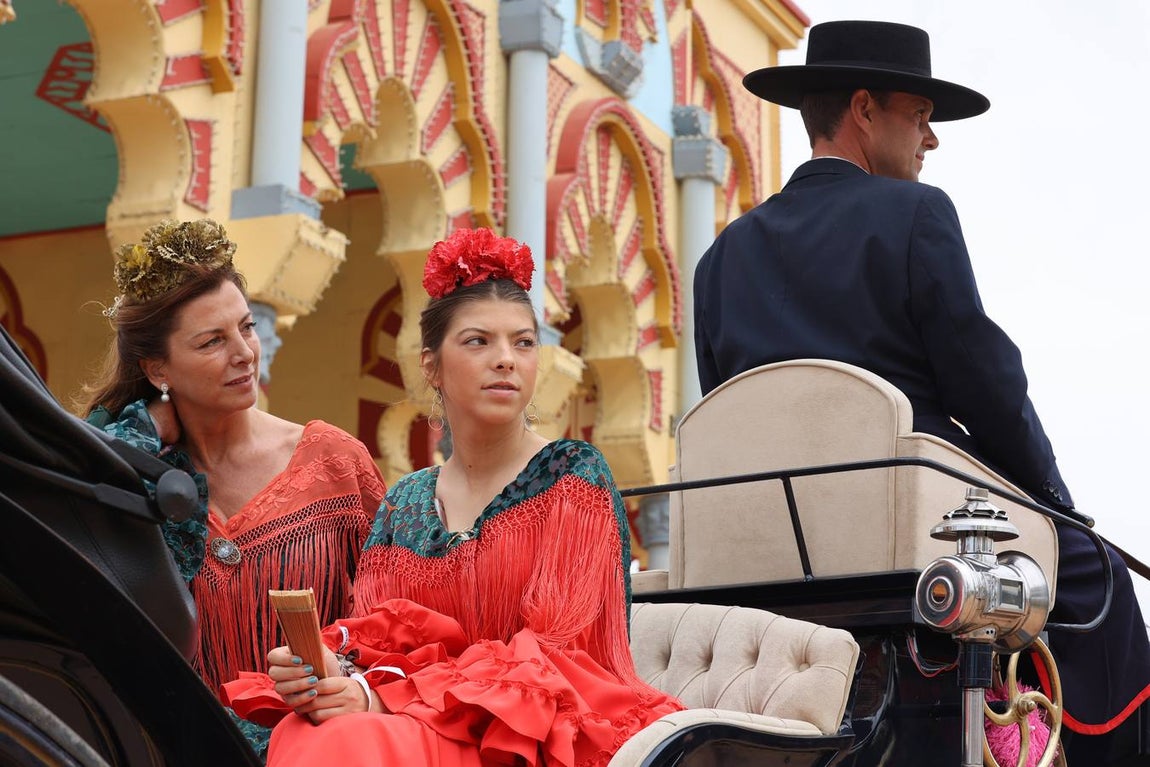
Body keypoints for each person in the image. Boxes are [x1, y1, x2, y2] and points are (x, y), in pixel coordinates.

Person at [692, 19, 1150, 765]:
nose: (929, 140)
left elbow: (727, 410)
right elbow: (987, 382)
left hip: (769, 551)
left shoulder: (719, 259)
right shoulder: (915, 215)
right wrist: (1057, 501)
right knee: (1095, 571)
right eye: (921, 116)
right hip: (911, 525)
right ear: (866, 109)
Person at [220, 227, 684, 766]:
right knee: (306, 729)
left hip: (529, 735)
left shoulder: (571, 477)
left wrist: (379, 699)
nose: (506, 359)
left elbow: (560, 652)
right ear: (431, 365)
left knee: (344, 741)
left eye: (524, 342)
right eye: (478, 341)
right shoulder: (406, 501)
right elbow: (377, 640)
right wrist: (326, 670)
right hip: (411, 727)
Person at [80, 218, 387, 755]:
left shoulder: (336, 463)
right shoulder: (131, 476)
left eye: (246, 327)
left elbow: (391, 620)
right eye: (212, 341)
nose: (244, 352)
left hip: (316, 753)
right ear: (158, 369)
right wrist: (143, 432)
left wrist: (340, 670)